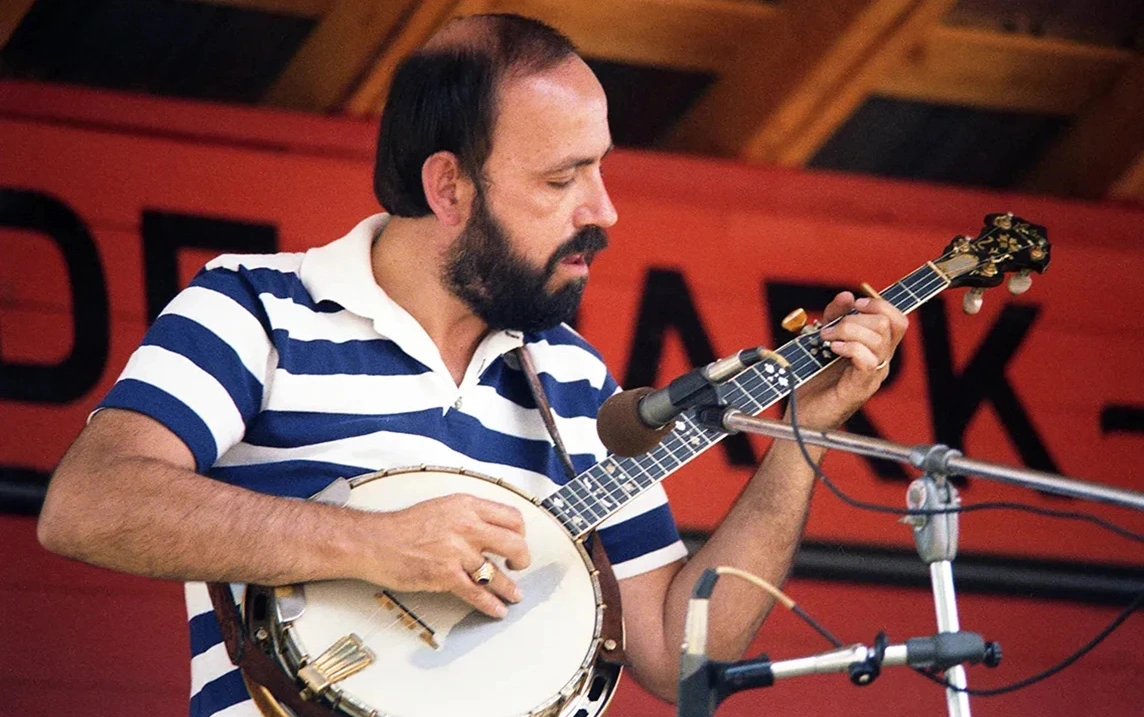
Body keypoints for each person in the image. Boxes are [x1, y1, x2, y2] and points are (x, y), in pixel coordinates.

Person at [37, 12, 908, 717]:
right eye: (563, 177)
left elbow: (681, 660)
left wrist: (803, 431)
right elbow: (89, 503)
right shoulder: (257, 308)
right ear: (449, 187)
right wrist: (376, 544)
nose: (603, 209)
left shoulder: (576, 385)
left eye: (600, 169)